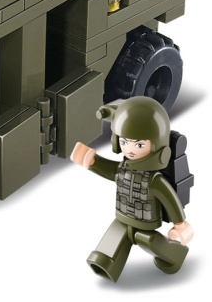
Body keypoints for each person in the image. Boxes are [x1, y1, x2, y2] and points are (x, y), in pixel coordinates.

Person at [70, 97, 194, 282]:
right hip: (123, 217)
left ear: (155, 145)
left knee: (149, 241)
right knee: (109, 247)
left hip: (145, 224)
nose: (130, 149)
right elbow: (111, 170)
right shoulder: (123, 169)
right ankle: (105, 264)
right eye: (124, 141)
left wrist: (180, 224)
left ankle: (175, 257)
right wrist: (91, 161)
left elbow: (170, 199)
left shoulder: (154, 180)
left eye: (139, 145)